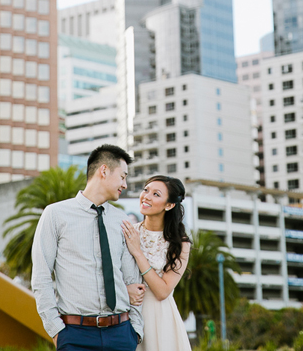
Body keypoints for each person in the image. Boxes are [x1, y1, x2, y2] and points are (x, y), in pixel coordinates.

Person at [32, 145, 144, 350]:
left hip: (121, 334)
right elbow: (41, 276)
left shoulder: (121, 220)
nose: (125, 184)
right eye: (122, 176)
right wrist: (56, 330)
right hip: (75, 335)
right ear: (103, 170)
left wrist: (135, 331)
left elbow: (132, 279)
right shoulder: (55, 214)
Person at [121, 176, 193, 351]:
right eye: (146, 190)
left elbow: (163, 291)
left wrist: (138, 252)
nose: (146, 196)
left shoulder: (180, 243)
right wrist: (125, 290)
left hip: (161, 318)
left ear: (169, 205)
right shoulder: (127, 232)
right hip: (125, 315)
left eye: (156, 194)